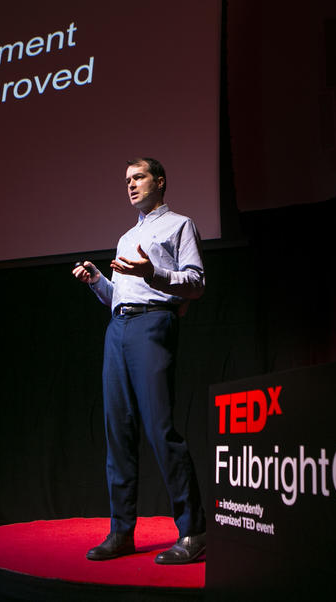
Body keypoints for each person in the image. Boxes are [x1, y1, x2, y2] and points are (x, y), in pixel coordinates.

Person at [72, 157, 206, 564]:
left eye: (139, 177)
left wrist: (153, 274)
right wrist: (98, 282)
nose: (130, 185)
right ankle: (122, 533)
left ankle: (193, 532)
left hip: (153, 326)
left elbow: (196, 282)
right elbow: (121, 298)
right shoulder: (125, 237)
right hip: (119, 328)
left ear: (160, 181)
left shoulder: (180, 225)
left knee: (161, 430)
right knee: (118, 432)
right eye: (127, 180)